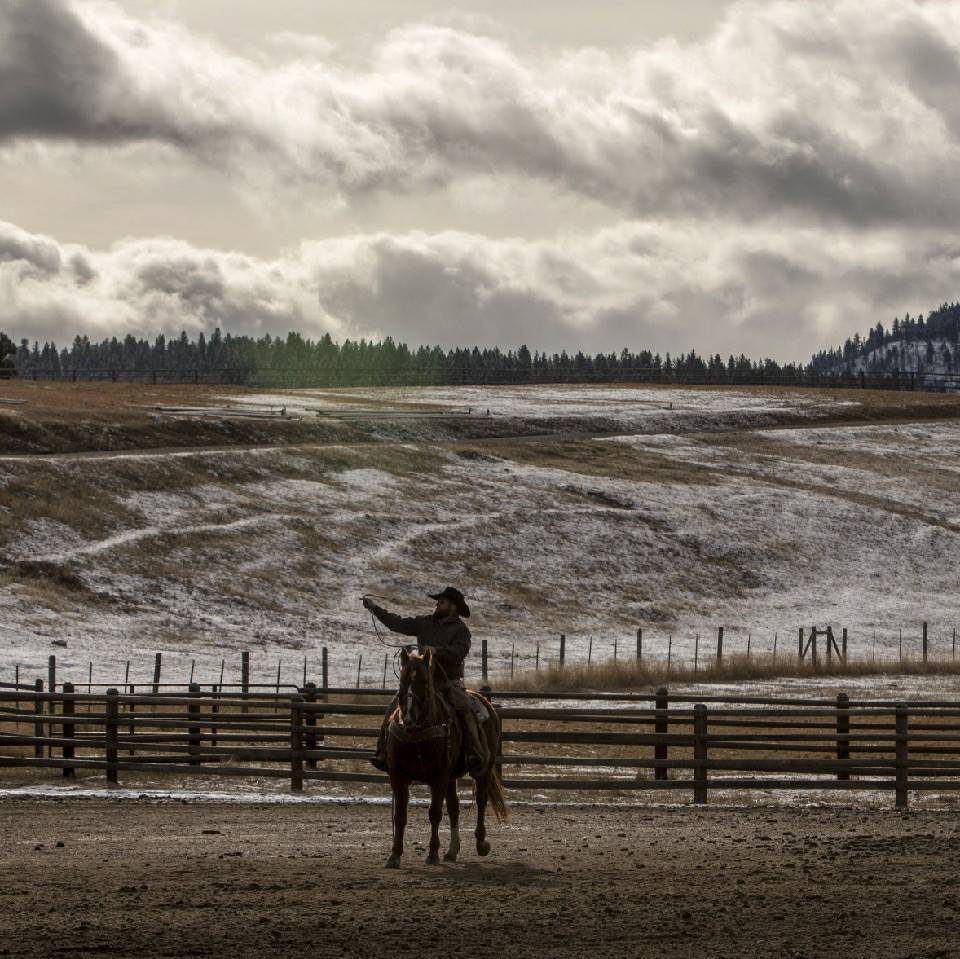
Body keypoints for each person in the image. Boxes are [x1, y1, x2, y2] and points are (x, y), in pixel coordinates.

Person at [363, 587, 489, 776]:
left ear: (453, 607)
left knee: (464, 707)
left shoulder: (461, 631)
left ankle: (474, 752)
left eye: (442, 602)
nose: (437, 604)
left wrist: (437, 651)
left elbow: (459, 652)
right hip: (422, 682)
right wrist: (374, 608)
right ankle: (383, 752)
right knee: (393, 706)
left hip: (448, 683)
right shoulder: (424, 622)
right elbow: (398, 623)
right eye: (438, 602)